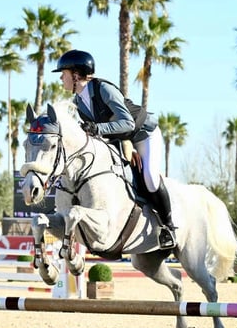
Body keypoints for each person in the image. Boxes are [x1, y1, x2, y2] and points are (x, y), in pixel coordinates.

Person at [52, 49, 177, 250]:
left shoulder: (103, 89)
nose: (61, 78)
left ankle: (168, 227)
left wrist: (98, 129)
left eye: (63, 73)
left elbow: (128, 124)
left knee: (150, 178)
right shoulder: (79, 102)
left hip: (144, 134)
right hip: (123, 140)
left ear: (75, 75)